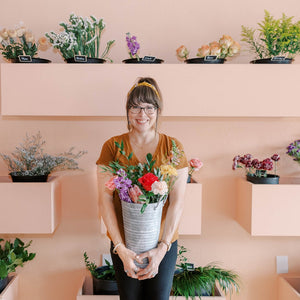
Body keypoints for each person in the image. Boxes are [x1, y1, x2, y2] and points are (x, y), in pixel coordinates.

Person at [96, 77, 188, 300]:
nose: (142, 114)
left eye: (149, 108)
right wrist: (120, 248)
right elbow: (105, 199)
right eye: (135, 107)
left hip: (163, 245)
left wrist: (162, 249)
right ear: (127, 110)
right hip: (125, 246)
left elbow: (177, 200)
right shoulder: (112, 146)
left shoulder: (173, 147)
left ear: (158, 111)